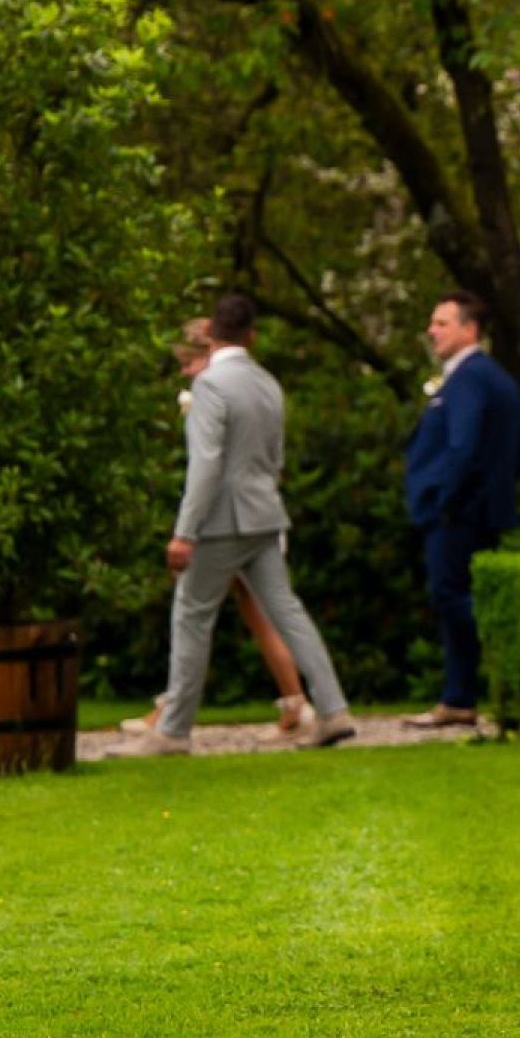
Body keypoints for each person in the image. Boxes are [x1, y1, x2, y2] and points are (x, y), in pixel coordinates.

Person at [106, 294, 358, 756]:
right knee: (288, 612)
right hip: (265, 514)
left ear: (212, 335)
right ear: (252, 335)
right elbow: (275, 461)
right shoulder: (268, 383)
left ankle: (173, 731)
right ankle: (333, 709)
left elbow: (205, 464)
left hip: (222, 521)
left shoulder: (211, 386)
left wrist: (185, 532)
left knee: (192, 615)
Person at [402, 291, 520, 729]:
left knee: (455, 598)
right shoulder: (491, 377)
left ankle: (484, 688)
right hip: (473, 508)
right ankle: (460, 696)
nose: (432, 330)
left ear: (470, 329)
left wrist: (448, 498)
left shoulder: (470, 378)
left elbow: (462, 445)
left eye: (442, 323)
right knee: (456, 598)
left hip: (457, 514)